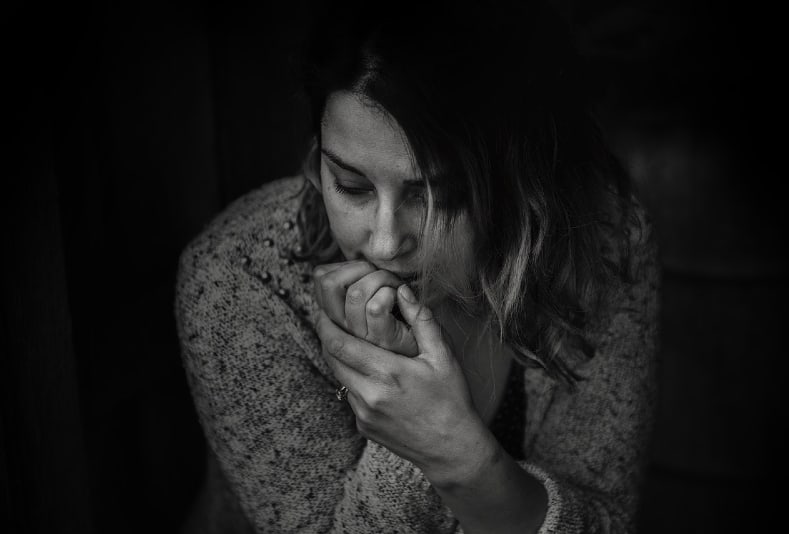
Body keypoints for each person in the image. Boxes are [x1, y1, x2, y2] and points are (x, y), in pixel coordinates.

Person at [175, 1, 660, 532]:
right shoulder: (240, 278)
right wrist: (405, 434)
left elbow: (608, 521)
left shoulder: (599, 239)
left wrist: (456, 454)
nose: (385, 242)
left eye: (441, 196)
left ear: (525, 185)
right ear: (317, 161)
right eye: (352, 186)